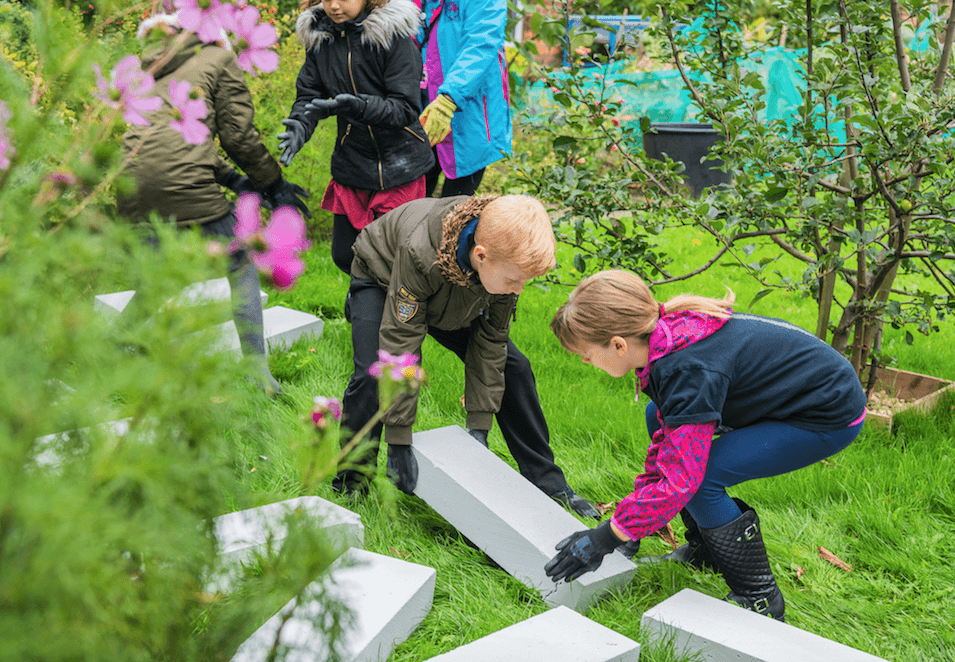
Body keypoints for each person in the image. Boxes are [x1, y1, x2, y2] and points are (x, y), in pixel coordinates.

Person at [543, 270, 867, 621]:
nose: (585, 362)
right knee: (659, 415)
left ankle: (759, 597)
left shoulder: (688, 369)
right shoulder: (664, 336)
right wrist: (631, 523)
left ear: (619, 345)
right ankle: (708, 550)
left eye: (587, 354)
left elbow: (680, 479)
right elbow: (668, 445)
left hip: (824, 415)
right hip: (787, 396)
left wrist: (606, 537)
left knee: (701, 481)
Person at [335, 194, 600, 519]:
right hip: (383, 277)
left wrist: (479, 426)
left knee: (514, 368)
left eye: (524, 282)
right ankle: (351, 481)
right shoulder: (420, 250)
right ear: (481, 255)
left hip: (460, 291)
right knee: (371, 373)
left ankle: (548, 482)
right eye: (514, 281)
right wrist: (399, 439)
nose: (519, 290)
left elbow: (491, 344)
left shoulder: (505, 263)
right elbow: (401, 342)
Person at [117, 14, 310, 395]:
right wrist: (274, 184)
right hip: (184, 184)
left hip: (131, 183)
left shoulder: (146, 64)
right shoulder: (220, 60)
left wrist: (235, 180)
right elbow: (238, 136)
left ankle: (116, 340)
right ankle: (256, 371)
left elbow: (180, 141)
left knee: (160, 273)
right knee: (242, 262)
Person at [278, 0, 435, 275]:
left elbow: (405, 108)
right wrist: (299, 127)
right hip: (352, 164)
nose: (334, 6)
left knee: (392, 260)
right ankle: (365, 300)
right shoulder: (321, 39)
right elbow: (309, 95)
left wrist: (356, 106)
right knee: (344, 255)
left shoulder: (393, 37)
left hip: (401, 167)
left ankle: (381, 310)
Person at [414, 0, 511, 197]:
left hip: (469, 115)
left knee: (455, 208)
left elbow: (481, 44)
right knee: (414, 203)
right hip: (422, 111)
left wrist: (447, 100)